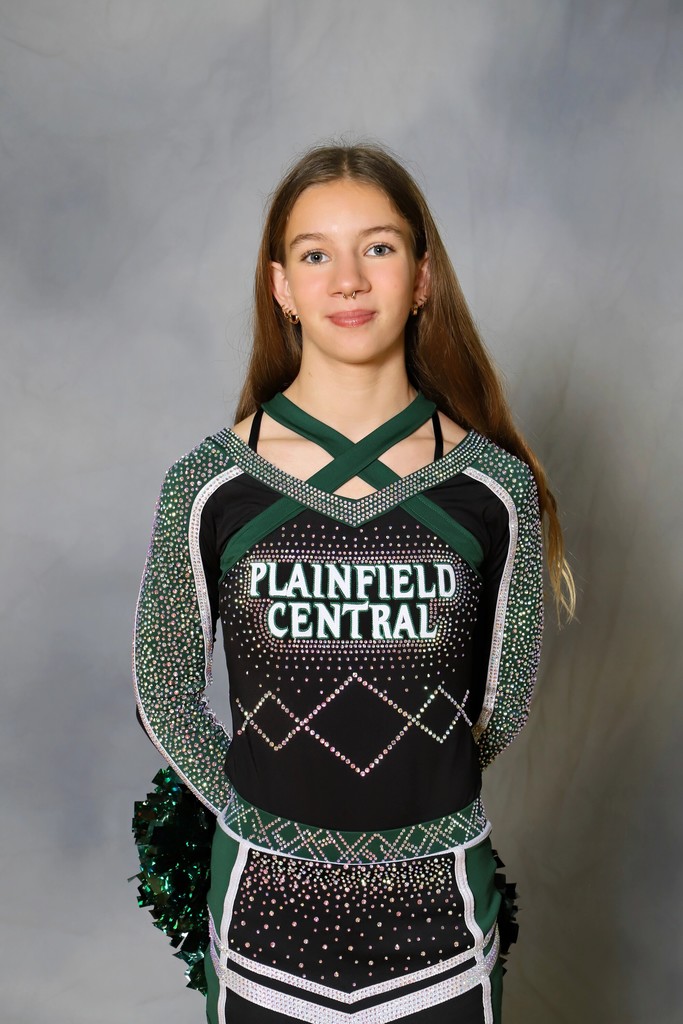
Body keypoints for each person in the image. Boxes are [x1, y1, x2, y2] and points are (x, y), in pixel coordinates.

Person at [133, 142, 574, 1023]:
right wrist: (268, 820)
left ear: (421, 278)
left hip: (440, 922)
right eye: (314, 254)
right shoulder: (210, 483)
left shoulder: (492, 486)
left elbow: (503, 696)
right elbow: (163, 687)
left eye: (377, 247)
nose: (347, 280)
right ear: (280, 287)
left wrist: (412, 803)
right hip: (265, 921)